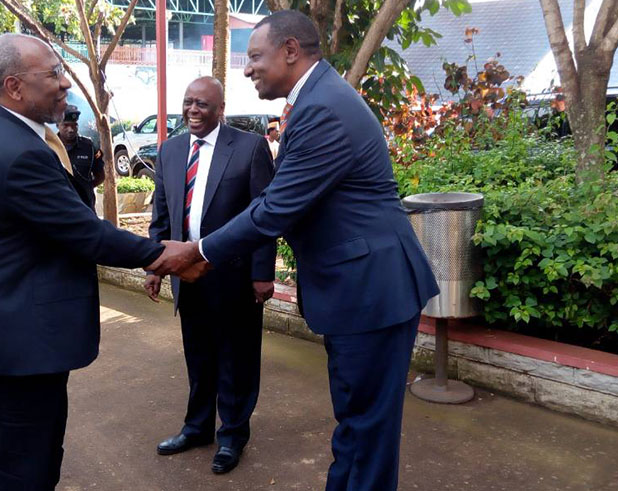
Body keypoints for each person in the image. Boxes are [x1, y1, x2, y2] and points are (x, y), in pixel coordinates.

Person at [149, 10, 440, 491]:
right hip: (359, 289)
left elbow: (275, 209)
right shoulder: (316, 101)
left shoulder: (323, 108)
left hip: (371, 290)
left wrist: (197, 250)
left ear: (290, 51)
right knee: (356, 421)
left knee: (366, 428)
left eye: (255, 57)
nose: (247, 70)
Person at [0, 33, 170, 489]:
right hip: (13, 341)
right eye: (55, 74)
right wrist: (163, 255)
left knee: (30, 454)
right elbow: (84, 233)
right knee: (27, 466)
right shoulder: (19, 152)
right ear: (15, 86)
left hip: (6, 327)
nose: (66, 84)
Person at [145, 77, 275, 474]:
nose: (193, 110)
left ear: (220, 108)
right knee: (198, 356)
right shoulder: (170, 151)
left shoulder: (250, 148)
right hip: (187, 277)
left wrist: (262, 274)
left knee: (236, 359)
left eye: (202, 104)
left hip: (233, 277)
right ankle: (198, 427)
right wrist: (154, 264)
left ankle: (232, 435)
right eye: (188, 103)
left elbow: (264, 215)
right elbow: (162, 216)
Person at [58, 105, 104, 210]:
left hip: (85, 206)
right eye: (66, 125)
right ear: (57, 125)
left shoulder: (89, 146)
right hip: (59, 207)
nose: (70, 130)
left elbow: (100, 175)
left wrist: (85, 189)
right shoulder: (49, 147)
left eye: (74, 125)